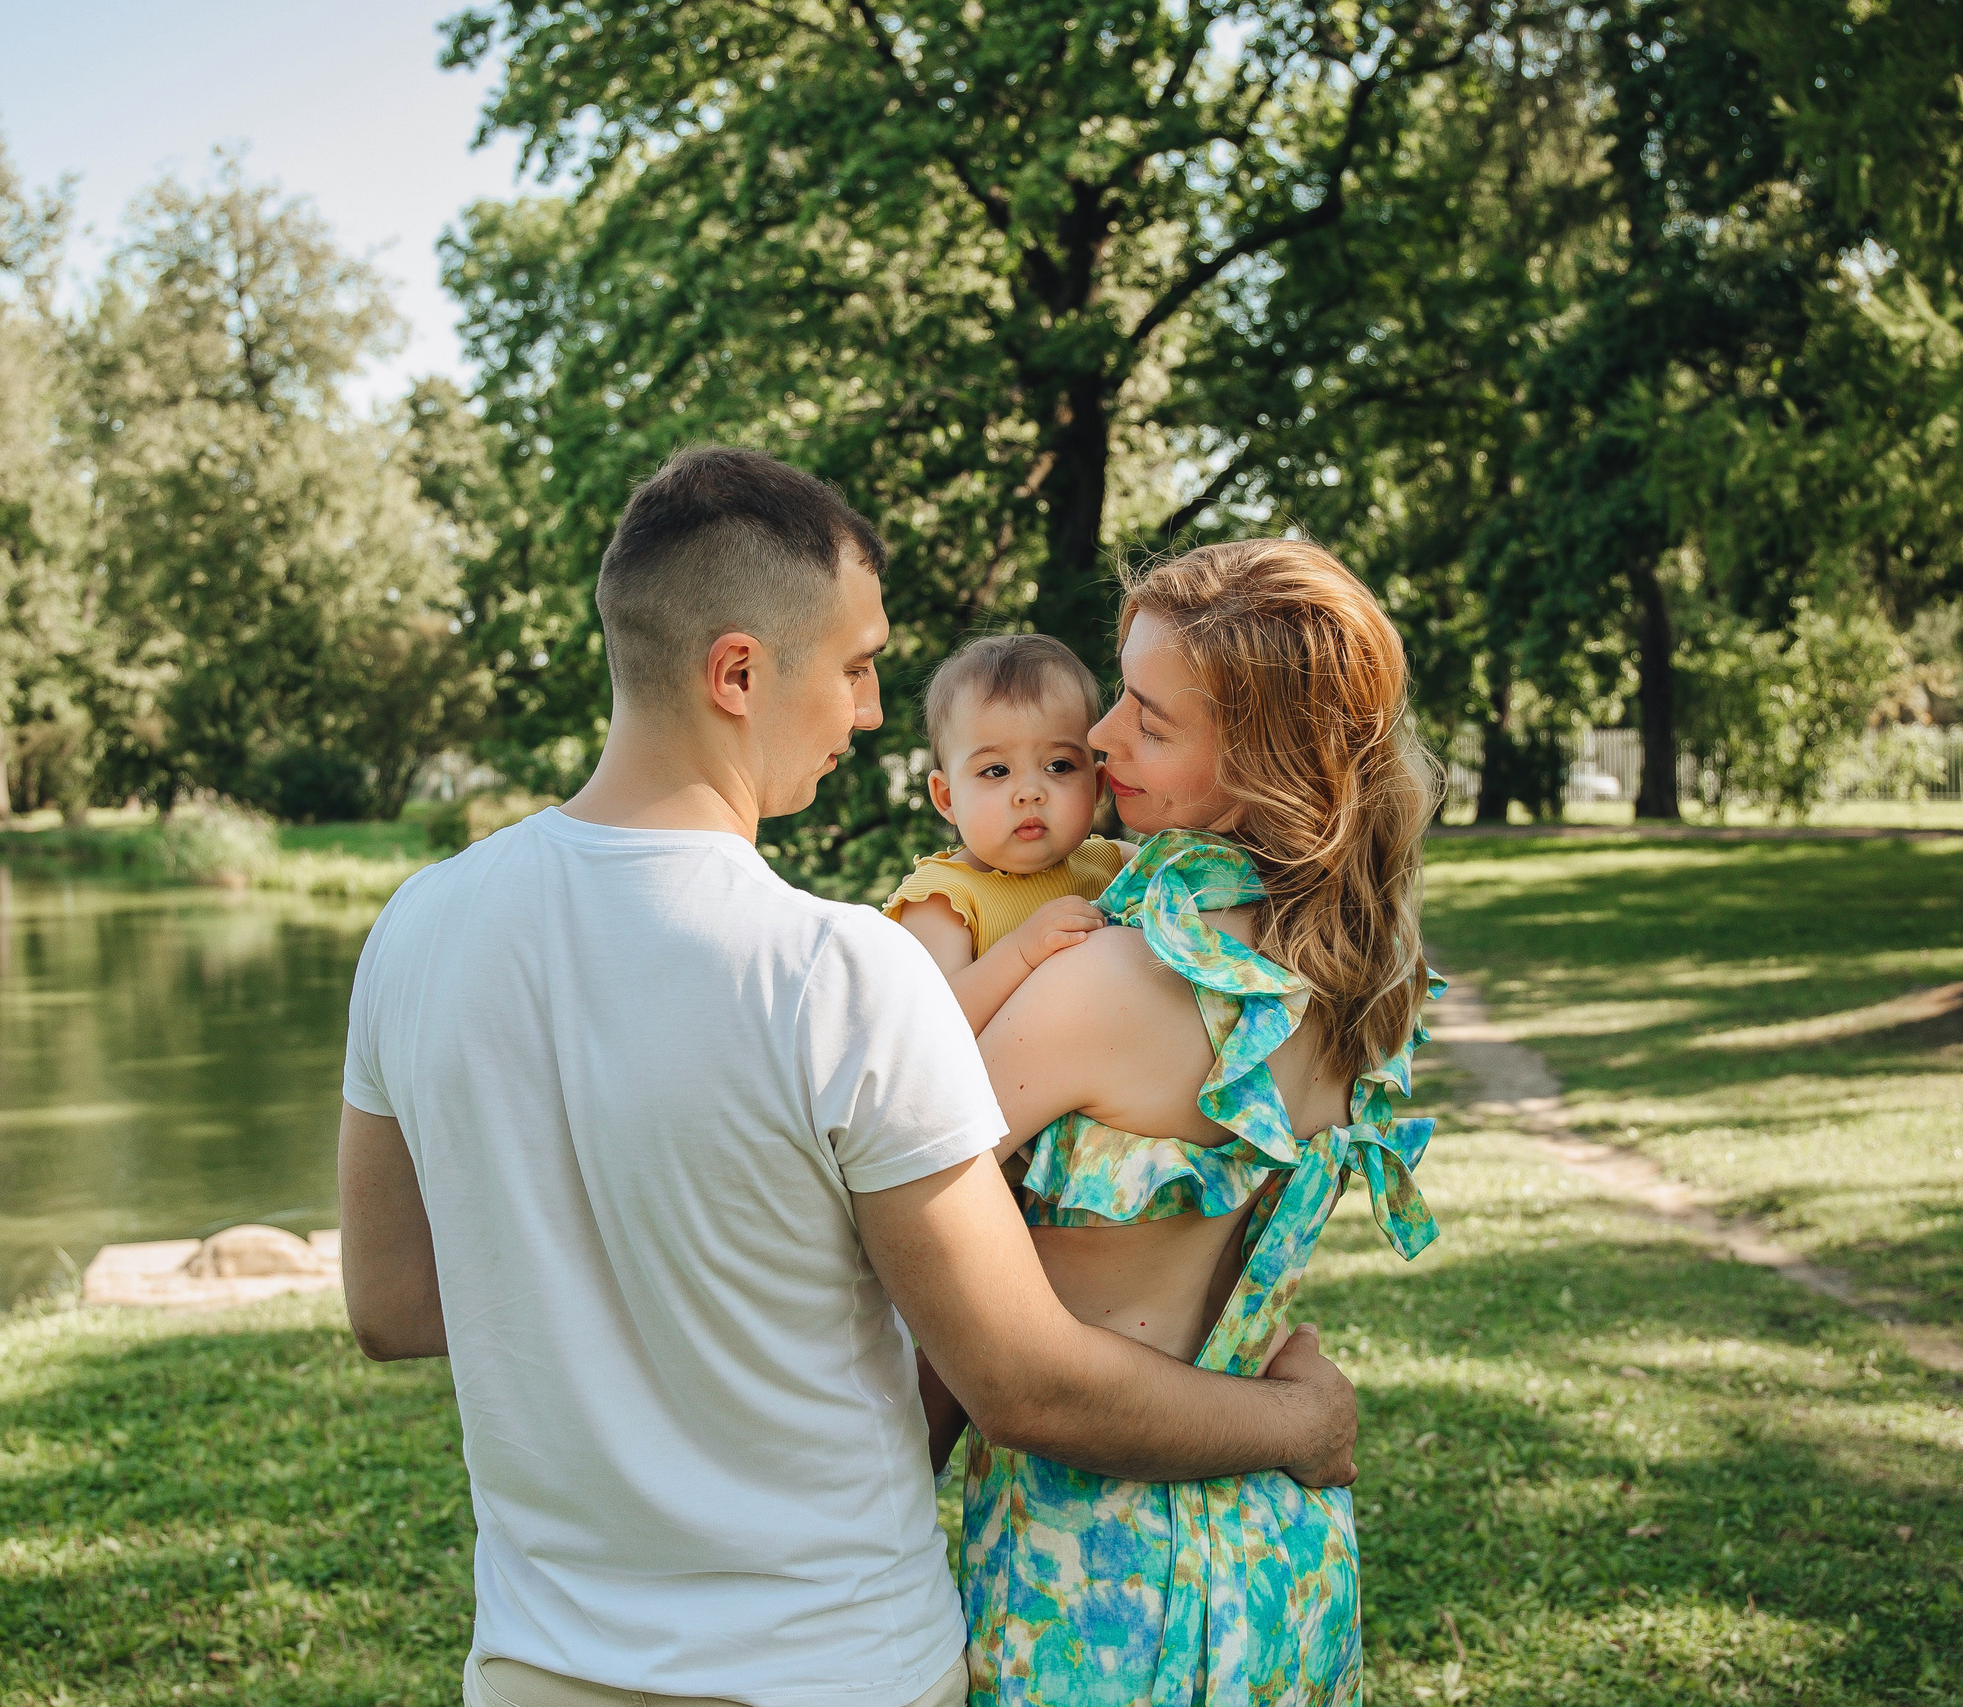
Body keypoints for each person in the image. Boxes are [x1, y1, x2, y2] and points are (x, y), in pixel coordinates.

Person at [334, 448, 1364, 1707]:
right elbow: (1023, 1379)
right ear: (737, 674)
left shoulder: (416, 927)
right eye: (856, 665)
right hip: (832, 1665)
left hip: (538, 1667)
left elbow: (393, 1305)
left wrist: (602, 1298)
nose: (871, 710)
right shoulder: (839, 972)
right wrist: (1303, 1425)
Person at [956, 539, 1445, 1705]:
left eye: (1151, 720)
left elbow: (854, 1213)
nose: (1102, 736)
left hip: (1095, 1593)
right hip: (1290, 1573)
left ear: (1267, 764)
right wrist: (1298, 1420)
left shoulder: (1108, 986)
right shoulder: (1368, 974)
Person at [882, 633, 1128, 1030]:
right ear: (946, 797)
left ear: (1097, 785)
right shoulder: (943, 900)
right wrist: (1021, 950)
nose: (1029, 792)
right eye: (996, 771)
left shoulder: (1112, 863)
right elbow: (928, 1027)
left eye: (1059, 766)